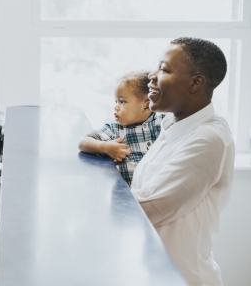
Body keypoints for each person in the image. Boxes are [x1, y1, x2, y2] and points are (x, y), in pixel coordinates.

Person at [130, 37, 234, 285]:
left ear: (196, 82)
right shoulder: (172, 125)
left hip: (182, 277)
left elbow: (150, 207)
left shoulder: (209, 138)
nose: (151, 76)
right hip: (152, 272)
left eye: (164, 69)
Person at [78, 70, 165, 186]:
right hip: (129, 197)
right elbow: (83, 142)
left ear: (146, 105)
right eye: (116, 102)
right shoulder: (115, 129)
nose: (116, 107)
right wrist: (105, 147)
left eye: (122, 101)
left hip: (158, 192)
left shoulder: (162, 123)